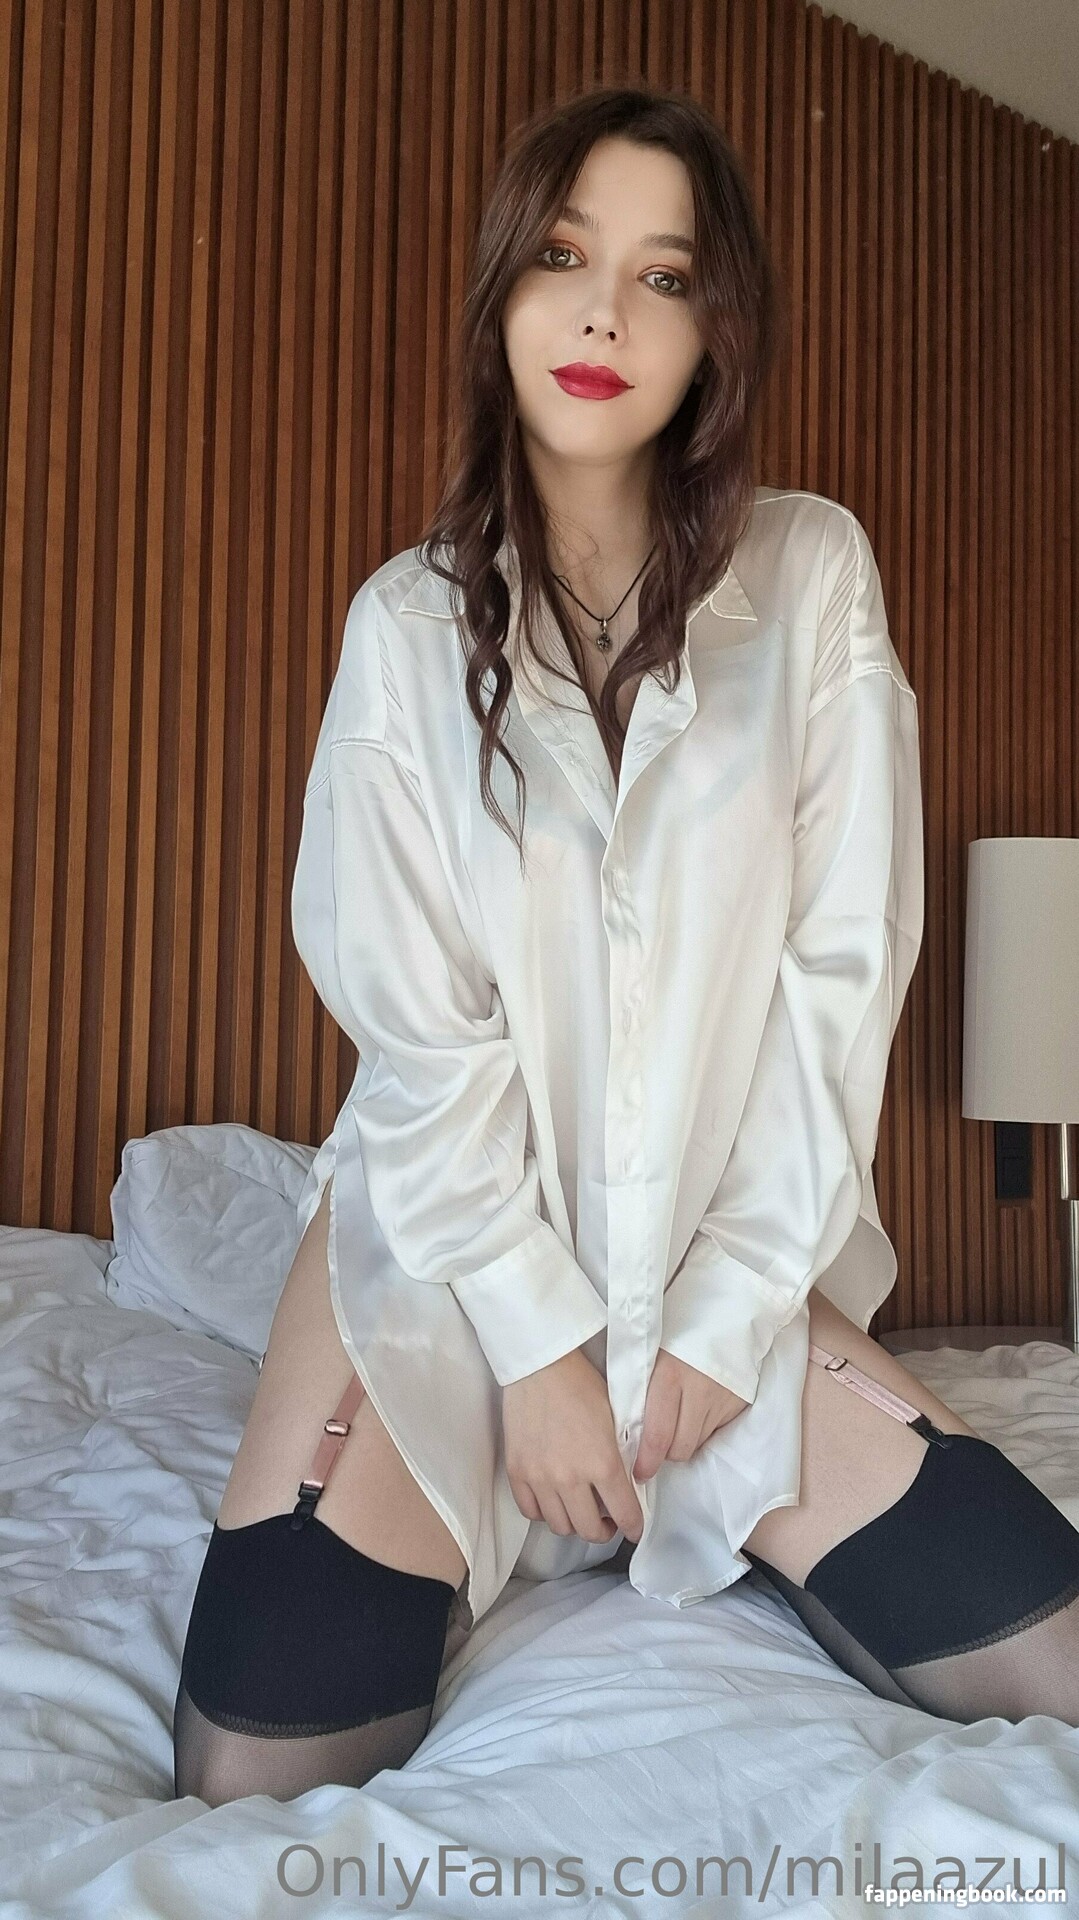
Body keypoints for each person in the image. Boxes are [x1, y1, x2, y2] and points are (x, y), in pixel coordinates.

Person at [172, 85, 1079, 1808]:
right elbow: (420, 1039)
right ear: (503, 292)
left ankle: (724, 1514)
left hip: (720, 1253)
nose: (605, 314)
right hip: (451, 1251)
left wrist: (725, 1322)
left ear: (714, 332)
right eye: (566, 258)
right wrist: (538, 1353)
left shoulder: (811, 576)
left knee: (1054, 1654)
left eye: (664, 277)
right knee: (254, 1766)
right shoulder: (405, 626)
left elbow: (841, 981)